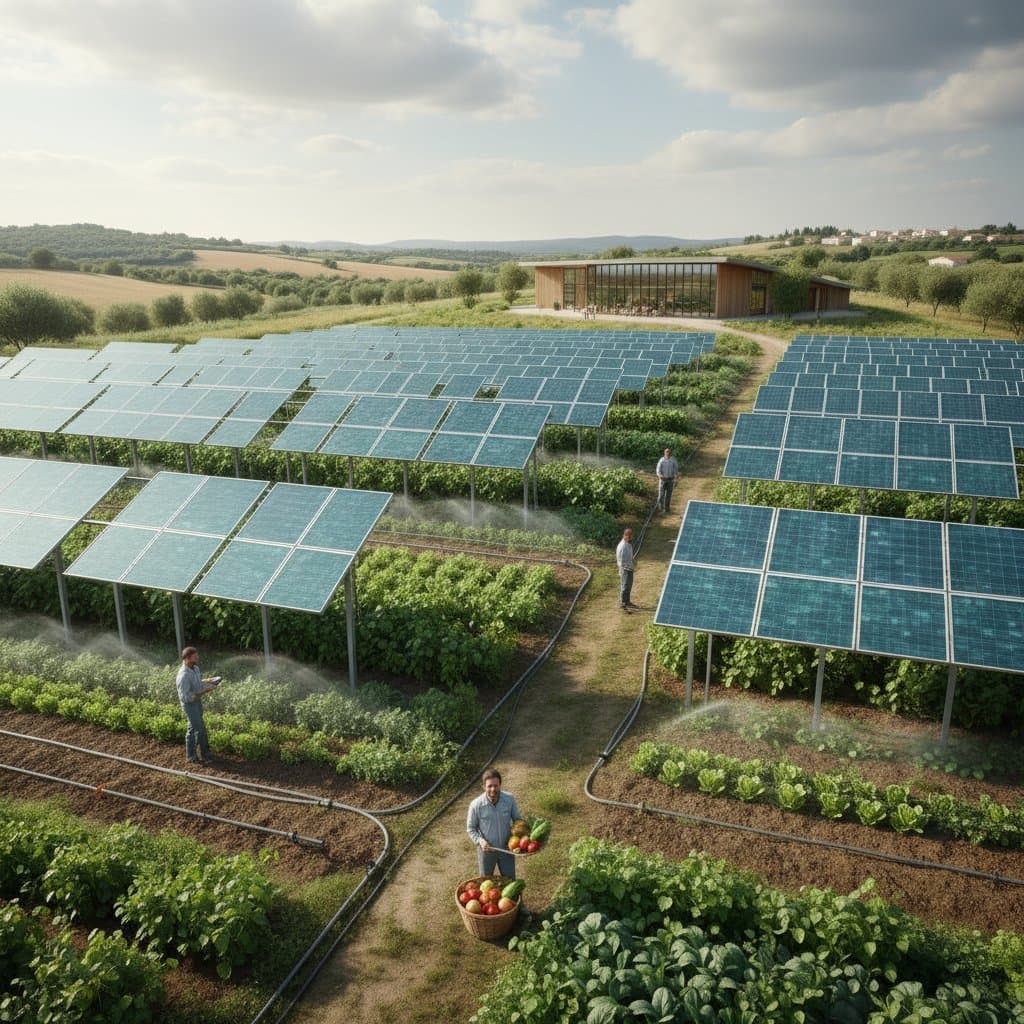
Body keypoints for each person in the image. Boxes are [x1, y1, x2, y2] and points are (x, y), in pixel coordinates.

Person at [466, 766, 521, 880]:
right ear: (483, 787)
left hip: (507, 849)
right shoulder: (476, 805)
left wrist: (520, 840)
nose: (493, 789)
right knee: (486, 883)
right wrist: (480, 841)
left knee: (510, 881)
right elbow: (471, 828)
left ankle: (515, 899)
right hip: (486, 851)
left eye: (495, 785)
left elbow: (518, 821)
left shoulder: (509, 799)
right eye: (489, 786)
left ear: (500, 784)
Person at [175, 646, 220, 765]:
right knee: (199, 729)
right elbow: (185, 697)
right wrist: (205, 691)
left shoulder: (195, 668)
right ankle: (205, 754)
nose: (197, 658)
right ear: (187, 658)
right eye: (195, 656)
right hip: (190, 705)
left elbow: (197, 683)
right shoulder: (183, 675)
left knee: (193, 728)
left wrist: (209, 681)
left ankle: (191, 755)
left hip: (197, 701)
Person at [616, 527, 635, 612]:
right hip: (625, 569)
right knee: (625, 586)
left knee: (629, 586)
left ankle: (627, 601)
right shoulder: (622, 547)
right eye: (631, 536)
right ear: (626, 536)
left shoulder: (628, 543)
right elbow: (622, 561)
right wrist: (628, 568)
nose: (632, 538)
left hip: (629, 568)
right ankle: (623, 602)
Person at [656, 447, 678, 514]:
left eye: (669, 452)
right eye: (667, 452)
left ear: (670, 453)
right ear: (664, 453)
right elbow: (658, 470)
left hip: (670, 480)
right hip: (663, 480)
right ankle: (660, 508)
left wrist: (676, 477)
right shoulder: (661, 461)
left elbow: (676, 469)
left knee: (668, 495)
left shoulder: (673, 460)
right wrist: (660, 475)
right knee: (661, 495)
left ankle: (667, 509)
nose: (668, 453)